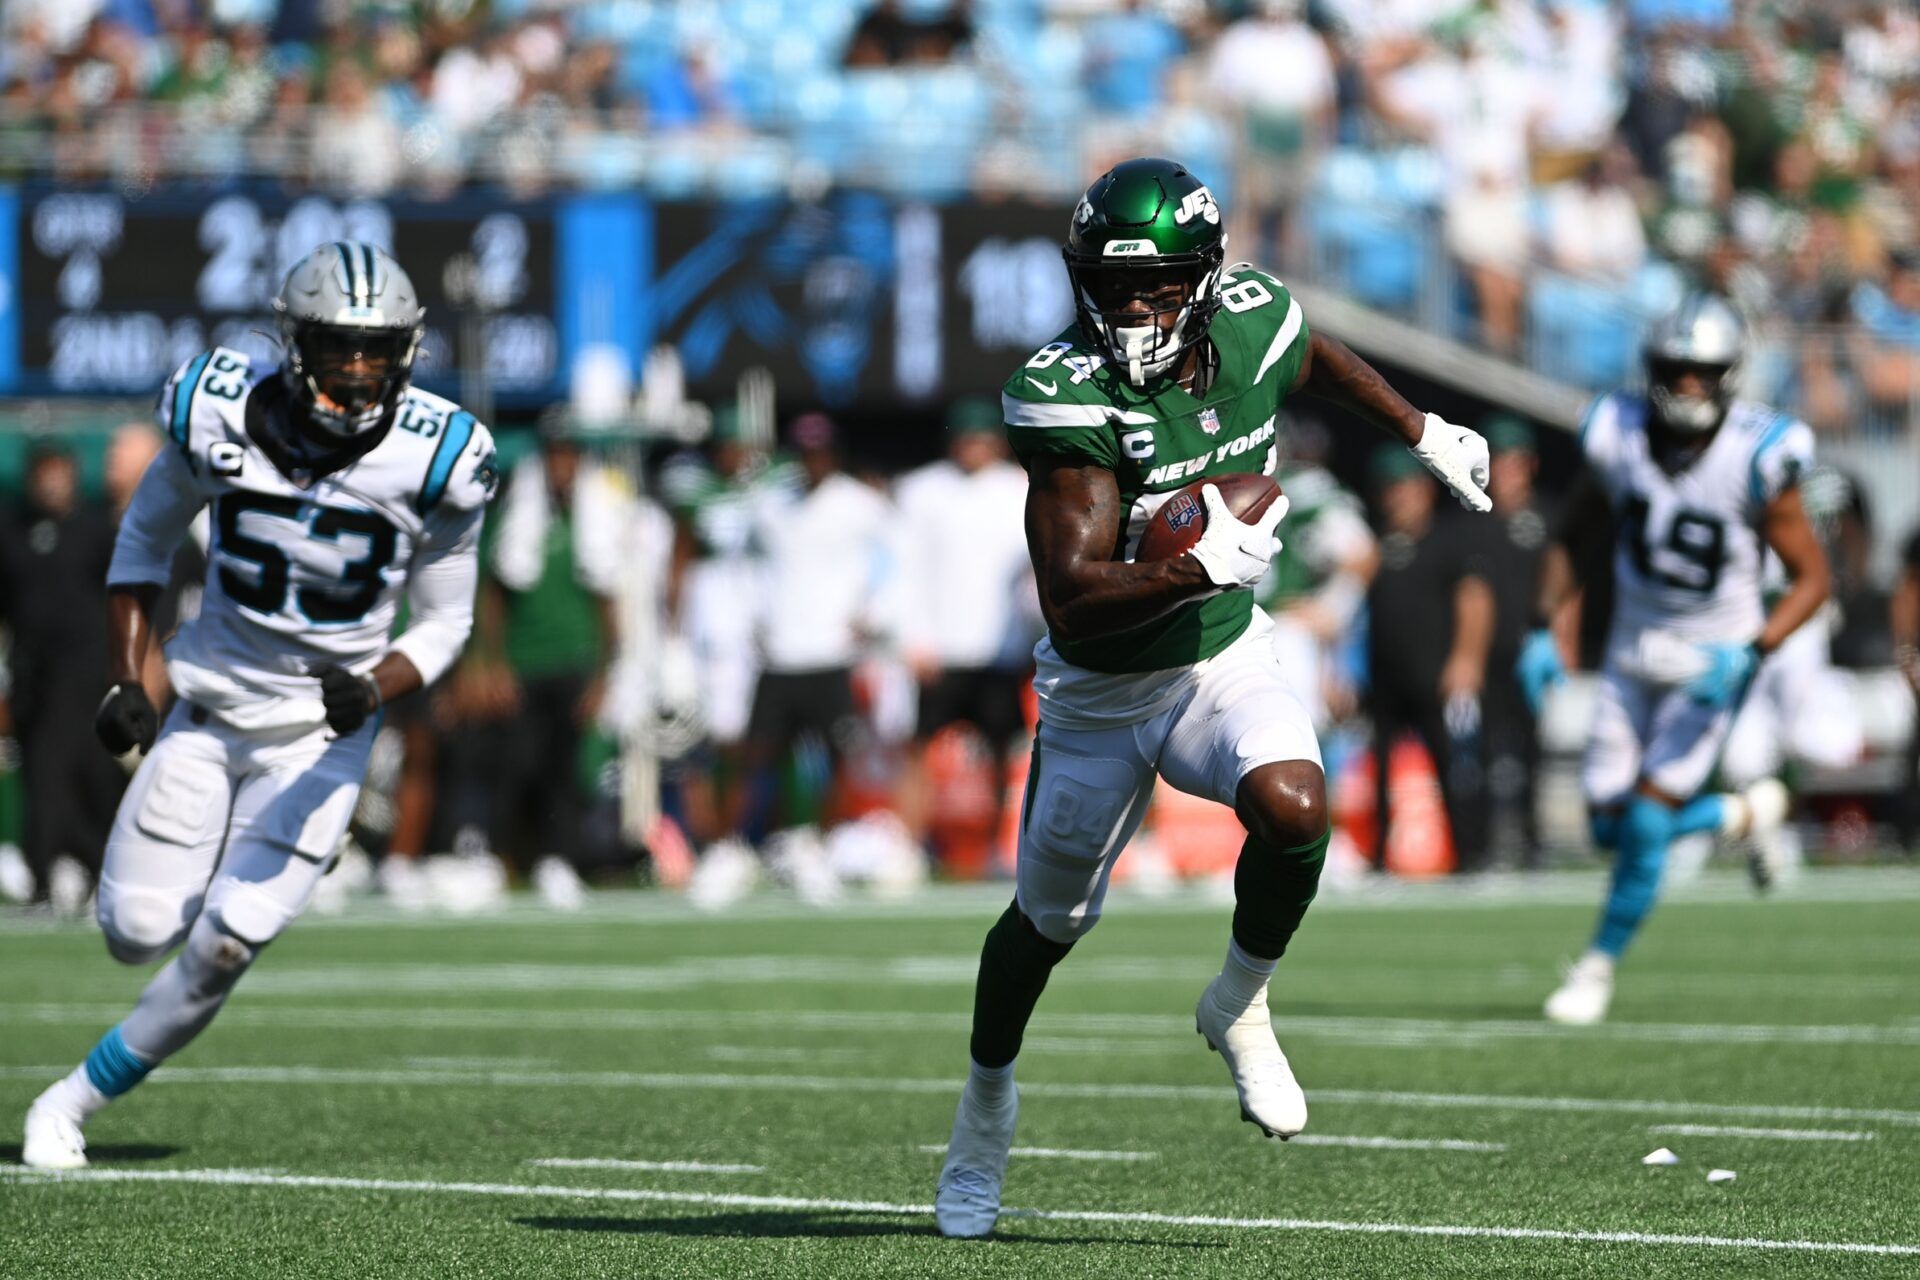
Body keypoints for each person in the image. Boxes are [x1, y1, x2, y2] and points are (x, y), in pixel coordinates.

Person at [933, 157, 1493, 1238]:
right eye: (1110, 281)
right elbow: (1071, 603)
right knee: (1045, 924)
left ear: (1203, 278)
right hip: (1100, 693)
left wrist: (1419, 428)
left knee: (1295, 802)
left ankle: (1238, 998)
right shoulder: (1065, 392)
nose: (1131, 305)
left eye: (1154, 284)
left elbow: (1315, 356)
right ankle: (985, 1106)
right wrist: (1194, 564)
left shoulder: (1252, 320)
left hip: (1219, 662)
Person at [21, 241, 497, 1169]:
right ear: (293, 342)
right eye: (337, 346)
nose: (358, 370)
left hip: (324, 737)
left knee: (226, 947)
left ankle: (67, 1104)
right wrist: (127, 677)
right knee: (135, 933)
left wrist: (374, 685)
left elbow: (445, 626)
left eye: (376, 349)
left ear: (405, 352)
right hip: (209, 710)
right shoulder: (218, 414)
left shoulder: (441, 458)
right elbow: (144, 545)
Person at [1518, 293, 1828, 1026]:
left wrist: (1752, 650)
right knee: (1605, 829)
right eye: (1677, 370)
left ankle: (1595, 969)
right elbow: (1576, 532)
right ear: (1654, 369)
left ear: (1729, 376)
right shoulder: (1616, 433)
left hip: (1713, 655)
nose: (1689, 385)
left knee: (1650, 826)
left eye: (1704, 372)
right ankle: (1745, 811)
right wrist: (1541, 625)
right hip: (1632, 650)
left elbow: (1814, 579)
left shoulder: (1759, 453)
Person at [894, 396, 1037, 859]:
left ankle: (998, 848)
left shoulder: (1020, 489)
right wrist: (915, 638)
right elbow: (905, 568)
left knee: (1001, 752)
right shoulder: (921, 491)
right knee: (919, 749)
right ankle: (911, 847)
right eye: (965, 439)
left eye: (981, 439)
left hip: (1001, 646)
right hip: (941, 646)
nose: (973, 448)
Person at [0, 440, 122, 906]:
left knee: (87, 772)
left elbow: (128, 602)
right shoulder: (12, 532)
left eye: (60, 473)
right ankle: (48, 870)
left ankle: (89, 867)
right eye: (44, 474)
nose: (52, 483)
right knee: (40, 774)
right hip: (32, 673)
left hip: (89, 674)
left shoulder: (96, 532)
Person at [1362, 447, 1493, 871]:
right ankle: (1380, 856)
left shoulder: (1447, 540)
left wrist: (1465, 660)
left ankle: (1468, 853)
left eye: (1405, 488)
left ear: (1423, 491)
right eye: (1390, 490)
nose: (1397, 498)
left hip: (1434, 676)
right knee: (1379, 771)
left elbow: (1474, 600)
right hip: (1385, 679)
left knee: (1451, 765)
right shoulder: (1379, 545)